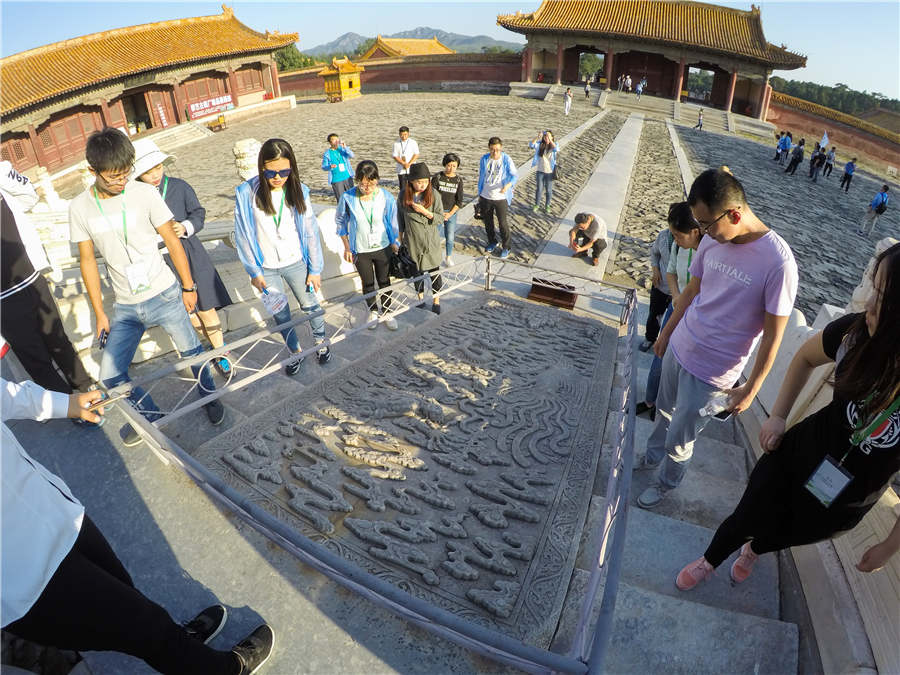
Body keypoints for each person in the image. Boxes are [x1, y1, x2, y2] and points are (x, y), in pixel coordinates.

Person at [1, 377, 275, 674]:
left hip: (55, 512)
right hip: (24, 575)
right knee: (144, 626)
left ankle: (178, 647)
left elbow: (5, 394)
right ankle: (224, 669)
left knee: (125, 591)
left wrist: (66, 403)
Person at [675, 243, 900, 591]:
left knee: (792, 532)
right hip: (797, 456)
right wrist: (778, 416)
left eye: (882, 297)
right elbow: (805, 358)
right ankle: (710, 560)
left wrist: (889, 547)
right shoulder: (854, 334)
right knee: (747, 514)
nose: (868, 304)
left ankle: (754, 550)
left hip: (845, 500)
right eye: (873, 289)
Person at [636, 167, 798, 509]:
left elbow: (773, 337)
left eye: (707, 224)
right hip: (680, 347)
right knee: (663, 412)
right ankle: (650, 458)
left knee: (681, 437)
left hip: (713, 372)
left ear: (734, 214)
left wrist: (751, 389)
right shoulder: (711, 240)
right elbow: (691, 291)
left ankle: (666, 483)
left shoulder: (778, 263)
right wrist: (666, 333)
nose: (703, 232)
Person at [69, 128, 224, 446]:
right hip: (125, 306)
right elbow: (87, 262)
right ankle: (152, 417)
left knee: (192, 352)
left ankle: (209, 396)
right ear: (93, 171)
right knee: (110, 375)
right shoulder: (79, 207)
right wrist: (100, 313)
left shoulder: (144, 193)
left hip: (165, 292)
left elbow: (172, 240)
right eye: (114, 177)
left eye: (126, 173)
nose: (121, 182)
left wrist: (188, 286)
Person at [132, 139, 233, 376]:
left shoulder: (179, 186)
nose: (155, 174)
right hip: (161, 260)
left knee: (206, 307)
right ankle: (210, 347)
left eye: (158, 167)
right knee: (188, 314)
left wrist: (185, 226)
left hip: (190, 252)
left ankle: (222, 352)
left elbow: (198, 213)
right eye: (148, 171)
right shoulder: (136, 196)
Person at [234, 138, 331, 374]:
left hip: (296, 262)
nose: (278, 177)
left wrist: (315, 269)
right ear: (262, 167)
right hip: (266, 267)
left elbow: (310, 232)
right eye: (271, 172)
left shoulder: (299, 191)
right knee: (280, 314)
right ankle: (295, 351)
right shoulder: (247, 193)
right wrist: (254, 272)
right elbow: (243, 234)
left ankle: (321, 341)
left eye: (284, 171)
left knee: (311, 306)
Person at [1, 162, 95, 401]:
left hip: (31, 278)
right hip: (3, 301)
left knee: (59, 340)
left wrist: (3, 173)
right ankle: (66, 406)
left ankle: (87, 390)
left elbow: (29, 197)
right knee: (35, 359)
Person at [637, 203, 703, 422]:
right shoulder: (677, 246)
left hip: (695, 317)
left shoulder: (709, 254)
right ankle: (649, 400)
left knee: (679, 365)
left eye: (678, 236)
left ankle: (665, 407)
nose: (674, 240)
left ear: (695, 232)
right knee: (659, 354)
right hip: (676, 308)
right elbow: (671, 271)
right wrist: (675, 296)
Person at [336, 160, 401, 331]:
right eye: (362, 184)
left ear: (377, 179)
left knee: (384, 281)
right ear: (357, 181)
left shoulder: (385, 196)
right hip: (360, 248)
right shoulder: (348, 197)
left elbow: (393, 222)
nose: (367, 188)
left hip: (383, 247)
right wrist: (347, 247)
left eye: (371, 183)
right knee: (368, 283)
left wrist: (395, 241)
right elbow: (340, 222)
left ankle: (386, 311)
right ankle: (372, 311)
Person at [399, 163, 444, 315]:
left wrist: (425, 211)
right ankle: (420, 299)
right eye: (419, 182)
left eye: (425, 181)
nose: (422, 185)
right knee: (416, 272)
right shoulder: (404, 194)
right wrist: (400, 236)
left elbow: (440, 218)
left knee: (434, 272)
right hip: (412, 240)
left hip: (430, 240)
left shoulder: (434, 194)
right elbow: (400, 217)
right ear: (411, 181)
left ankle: (436, 301)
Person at [477, 137, 518, 260]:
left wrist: (508, 186)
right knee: (488, 222)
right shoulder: (484, 159)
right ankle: (492, 241)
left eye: (497, 150)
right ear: (489, 148)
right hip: (486, 195)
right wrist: (480, 193)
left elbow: (515, 175)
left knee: (502, 223)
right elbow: (482, 175)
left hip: (501, 196)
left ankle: (506, 247)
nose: (495, 152)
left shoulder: (506, 159)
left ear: (501, 148)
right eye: (492, 149)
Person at [638, 227, 674, 352]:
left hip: (679, 291)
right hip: (661, 284)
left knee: (673, 320)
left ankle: (667, 344)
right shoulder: (664, 235)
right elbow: (654, 253)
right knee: (654, 314)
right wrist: (655, 269)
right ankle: (650, 338)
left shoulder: (692, 242)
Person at [431, 153, 463, 266]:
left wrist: (450, 214)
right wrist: (438, 212)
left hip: (451, 213)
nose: (451, 168)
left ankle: (448, 257)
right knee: (435, 237)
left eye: (454, 166)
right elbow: (431, 196)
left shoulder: (458, 180)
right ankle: (435, 256)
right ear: (445, 164)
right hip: (437, 212)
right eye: (449, 165)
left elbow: (459, 201)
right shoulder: (437, 177)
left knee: (450, 237)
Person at [529, 130, 558, 214]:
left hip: (550, 172)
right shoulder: (540, 144)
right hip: (540, 170)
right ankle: (537, 205)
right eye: (545, 136)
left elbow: (556, 149)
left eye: (548, 136)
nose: (546, 138)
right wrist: (538, 137)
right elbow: (531, 145)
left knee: (548, 190)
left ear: (552, 137)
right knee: (539, 189)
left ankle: (547, 205)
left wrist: (550, 140)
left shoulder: (554, 145)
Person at [321, 133, 355, 204]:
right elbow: (324, 167)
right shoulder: (327, 154)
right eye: (334, 140)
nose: (336, 141)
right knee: (341, 201)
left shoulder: (342, 149)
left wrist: (345, 147)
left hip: (347, 177)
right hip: (336, 180)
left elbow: (352, 155)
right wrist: (329, 166)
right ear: (330, 142)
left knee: (352, 198)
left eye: (337, 139)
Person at [392, 126, 419, 195]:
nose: (403, 136)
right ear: (399, 134)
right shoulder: (396, 143)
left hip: (411, 167)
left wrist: (409, 163)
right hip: (401, 168)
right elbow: (395, 156)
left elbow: (416, 154)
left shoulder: (413, 142)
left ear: (408, 134)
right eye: (401, 135)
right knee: (402, 188)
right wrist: (403, 163)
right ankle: (403, 199)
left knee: (413, 187)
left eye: (405, 134)